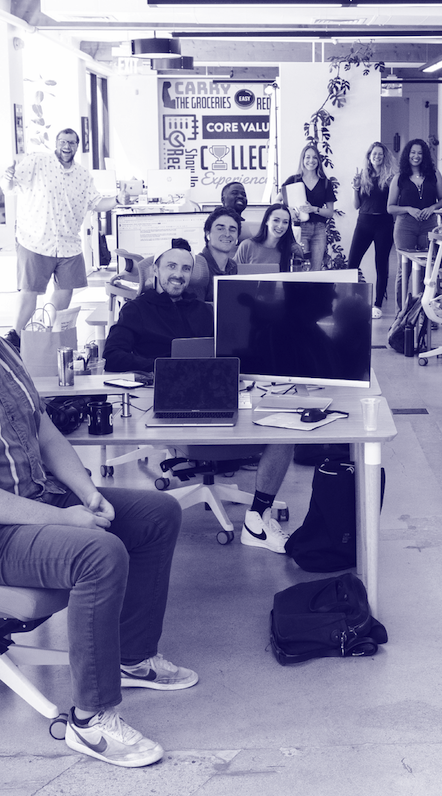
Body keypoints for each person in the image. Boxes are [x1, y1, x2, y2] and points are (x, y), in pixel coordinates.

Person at [0, 235, 199, 768]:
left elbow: (43, 426)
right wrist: (64, 519)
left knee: (155, 514)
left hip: (27, 504)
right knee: (97, 552)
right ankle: (91, 721)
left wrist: (88, 493)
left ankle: (132, 657)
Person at [102, 240, 297, 553]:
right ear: (156, 270)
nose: (179, 274)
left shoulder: (204, 310)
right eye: (171, 266)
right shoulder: (137, 310)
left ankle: (257, 517)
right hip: (165, 399)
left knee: (285, 428)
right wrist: (163, 368)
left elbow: (232, 350)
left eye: (185, 268)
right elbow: (112, 356)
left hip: (218, 393)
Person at [4, 127, 114, 332]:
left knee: (65, 289)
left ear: (77, 146)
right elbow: (11, 187)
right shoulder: (37, 161)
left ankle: (48, 332)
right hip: (36, 239)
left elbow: (96, 202)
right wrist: (8, 177)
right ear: (56, 143)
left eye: (72, 142)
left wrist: (117, 200)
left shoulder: (82, 174)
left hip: (68, 242)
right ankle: (15, 336)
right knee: (29, 290)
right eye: (63, 141)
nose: (67, 146)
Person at [346, 142, 396, 316]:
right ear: (369, 156)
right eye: (374, 154)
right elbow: (356, 205)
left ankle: (378, 305)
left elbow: (395, 202)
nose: (377, 157)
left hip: (384, 224)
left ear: (384, 157)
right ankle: (349, 301)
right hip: (364, 223)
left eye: (380, 154)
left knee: (381, 265)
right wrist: (355, 188)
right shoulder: (362, 176)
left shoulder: (391, 177)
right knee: (352, 264)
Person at [278, 143, 341, 270]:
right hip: (300, 229)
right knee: (300, 267)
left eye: (314, 157)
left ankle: (313, 291)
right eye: (307, 157)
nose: (310, 161)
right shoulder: (293, 180)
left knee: (316, 268)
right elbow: (277, 202)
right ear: (302, 159)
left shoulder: (325, 183)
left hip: (319, 230)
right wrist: (289, 210)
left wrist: (314, 209)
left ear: (318, 160)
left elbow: (329, 212)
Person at [389, 138, 442, 256]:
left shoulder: (435, 174)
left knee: (428, 264)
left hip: (429, 224)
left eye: (420, 153)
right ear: (407, 154)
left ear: (425, 156)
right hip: (405, 225)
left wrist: (432, 208)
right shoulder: (399, 177)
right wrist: (408, 209)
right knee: (404, 267)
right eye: (413, 152)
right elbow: (390, 208)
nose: (416, 156)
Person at [189, 208, 242, 303]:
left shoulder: (232, 266)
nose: (227, 234)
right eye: (220, 228)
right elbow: (196, 312)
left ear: (237, 237)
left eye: (232, 230)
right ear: (207, 233)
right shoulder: (198, 268)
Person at [238, 203, 299, 272]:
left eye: (285, 222)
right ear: (266, 221)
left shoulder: (293, 250)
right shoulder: (247, 246)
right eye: (276, 220)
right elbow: (234, 275)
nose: (280, 226)